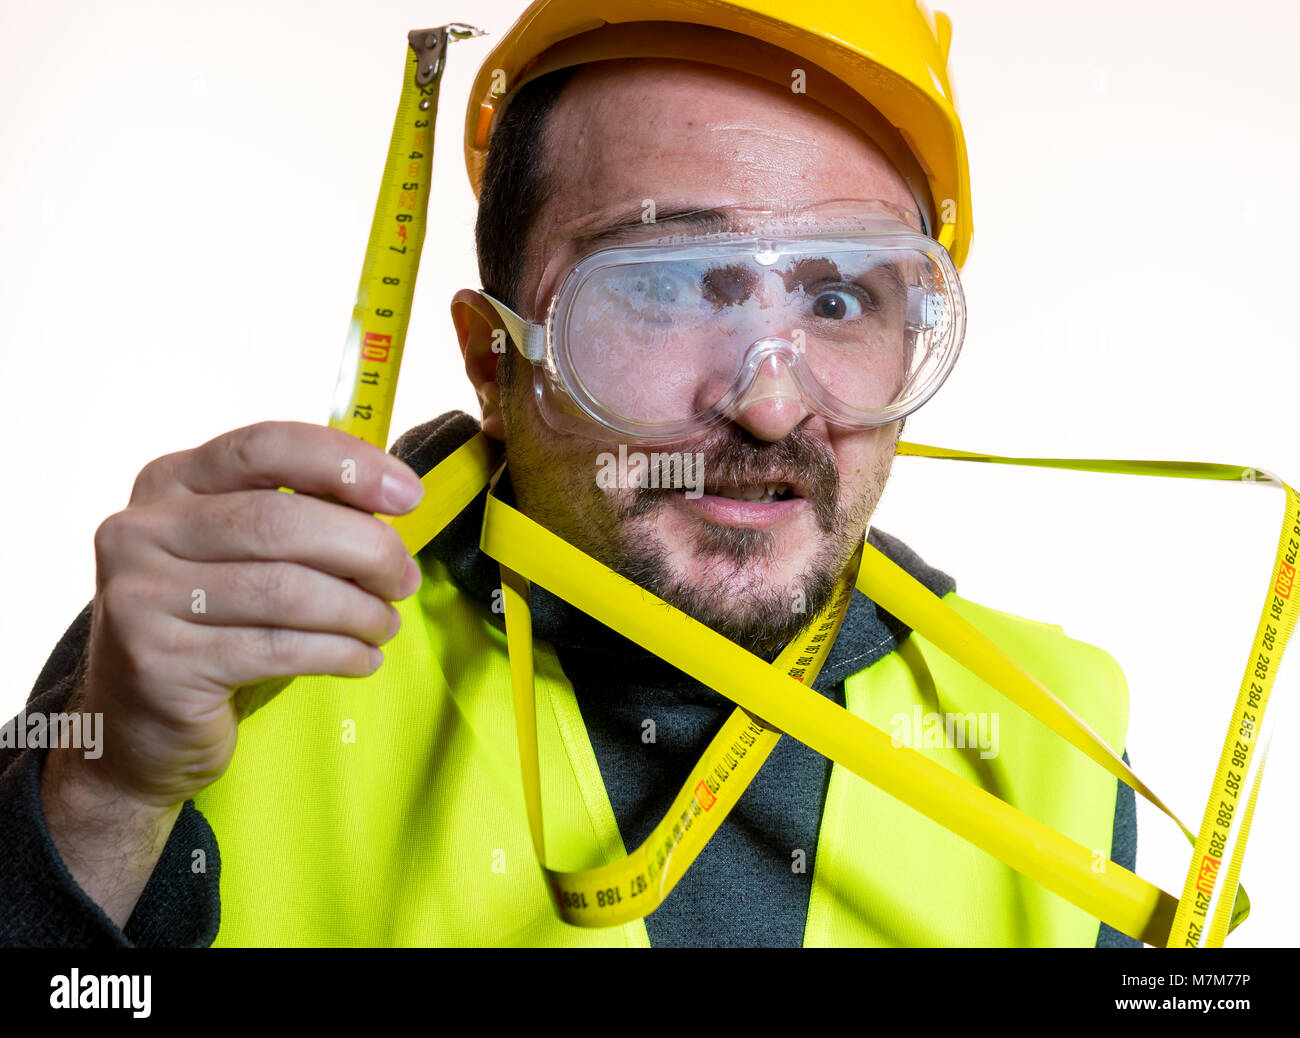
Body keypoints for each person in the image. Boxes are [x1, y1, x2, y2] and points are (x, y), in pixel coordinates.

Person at [0, 0, 1139, 947]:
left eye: (838, 298)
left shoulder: (1054, 746)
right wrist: (104, 798)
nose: (772, 401)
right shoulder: (214, 661)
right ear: (494, 360)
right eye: (662, 285)